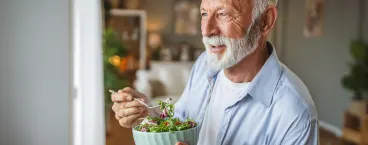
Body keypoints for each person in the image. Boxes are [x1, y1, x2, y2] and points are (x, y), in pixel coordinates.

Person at [111, 0, 319, 144]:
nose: (206, 30)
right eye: (204, 13)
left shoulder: (295, 112)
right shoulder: (204, 65)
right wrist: (147, 112)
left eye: (223, 14)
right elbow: (182, 121)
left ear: (264, 21)